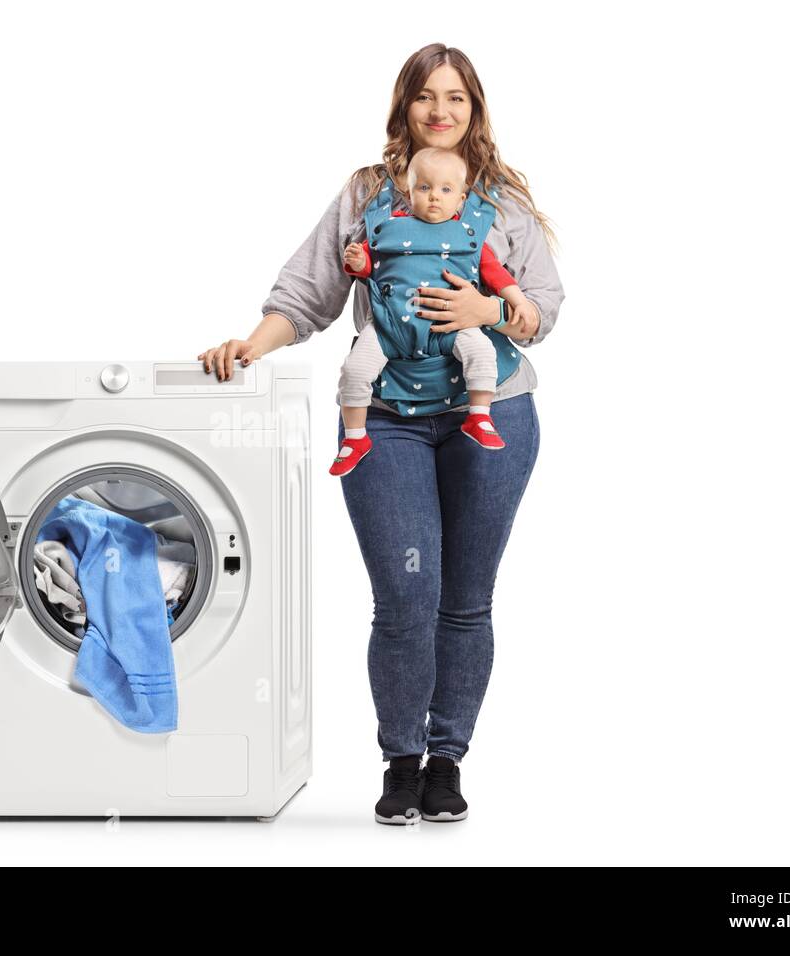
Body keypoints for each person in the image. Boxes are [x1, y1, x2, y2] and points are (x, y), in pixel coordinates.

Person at [197, 43, 565, 825]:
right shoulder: (368, 193)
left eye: (457, 98)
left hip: (491, 413)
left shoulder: (500, 200)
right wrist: (248, 345)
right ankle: (402, 759)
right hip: (387, 416)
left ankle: (447, 761)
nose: (441, 110)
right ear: (404, 107)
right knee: (406, 593)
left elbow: (544, 307)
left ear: (476, 110)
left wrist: (489, 311)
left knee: (465, 600)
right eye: (427, 97)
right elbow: (311, 291)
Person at [332, 145, 538, 475]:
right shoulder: (387, 228)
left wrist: (519, 302)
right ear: (408, 192)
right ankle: (355, 437)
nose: (433, 197)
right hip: (389, 327)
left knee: (481, 352)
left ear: (461, 199)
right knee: (355, 370)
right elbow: (371, 268)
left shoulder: (468, 234)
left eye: (445, 190)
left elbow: (496, 275)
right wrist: (359, 262)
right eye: (424, 188)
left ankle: (480, 415)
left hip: (453, 326)